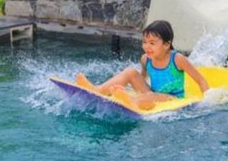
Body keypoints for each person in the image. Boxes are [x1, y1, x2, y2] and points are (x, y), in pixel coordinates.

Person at [76, 20, 208, 110]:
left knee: (150, 96)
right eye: (144, 42)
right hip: (153, 93)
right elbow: (141, 79)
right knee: (131, 72)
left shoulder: (177, 59)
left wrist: (206, 102)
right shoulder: (146, 59)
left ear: (166, 45)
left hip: (174, 100)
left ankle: (132, 102)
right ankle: (98, 90)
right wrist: (127, 88)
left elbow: (200, 80)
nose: (146, 46)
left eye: (152, 43)